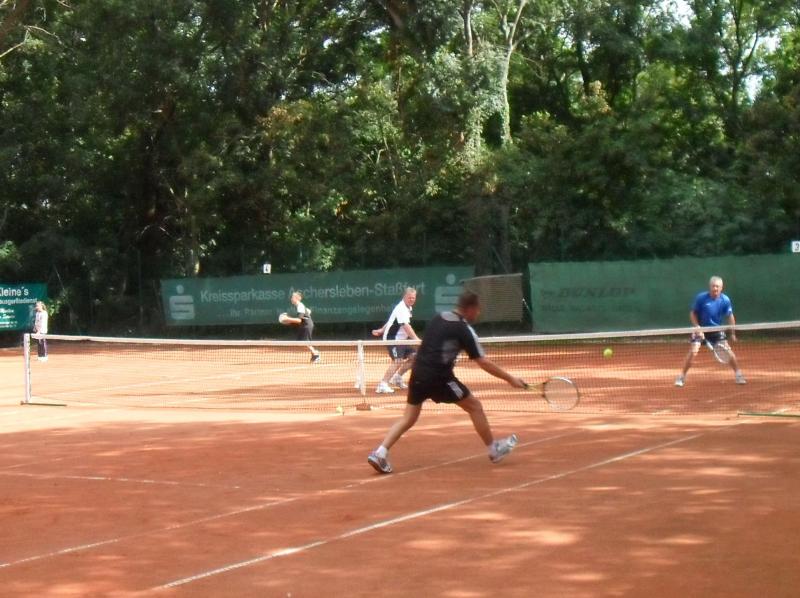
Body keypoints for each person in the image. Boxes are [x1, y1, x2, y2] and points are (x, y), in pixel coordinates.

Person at [367, 291, 526, 474]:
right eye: (477, 310)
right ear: (470, 309)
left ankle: (380, 453)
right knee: (475, 406)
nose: (478, 314)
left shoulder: (438, 318)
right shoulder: (464, 330)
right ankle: (494, 450)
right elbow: (483, 362)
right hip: (440, 379)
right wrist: (510, 379)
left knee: (408, 418)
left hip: (417, 373)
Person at [675, 276, 745, 387]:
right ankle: (681, 377)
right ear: (709, 287)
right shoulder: (701, 298)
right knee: (693, 351)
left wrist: (732, 333)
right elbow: (693, 313)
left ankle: (738, 375)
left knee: (728, 351)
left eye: (717, 286)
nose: (715, 288)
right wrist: (698, 327)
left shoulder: (725, 300)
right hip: (700, 329)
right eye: (713, 286)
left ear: (721, 288)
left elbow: (730, 316)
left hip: (716, 330)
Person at [372, 287, 420, 394]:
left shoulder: (408, 307)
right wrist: (416, 339)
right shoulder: (401, 308)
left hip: (402, 340)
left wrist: (381, 330)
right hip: (393, 339)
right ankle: (382, 385)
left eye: (413, 298)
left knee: (415, 357)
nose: (412, 299)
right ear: (404, 296)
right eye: (409, 297)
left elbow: (391, 320)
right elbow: (406, 326)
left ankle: (397, 377)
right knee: (398, 360)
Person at [285, 291, 321, 363]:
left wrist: (287, 319)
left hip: (307, 325)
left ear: (297, 298)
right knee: (300, 342)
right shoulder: (300, 306)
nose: (291, 299)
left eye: (292, 297)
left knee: (304, 342)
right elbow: (309, 311)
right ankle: (314, 352)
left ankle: (316, 354)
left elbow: (299, 320)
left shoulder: (300, 306)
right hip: (304, 325)